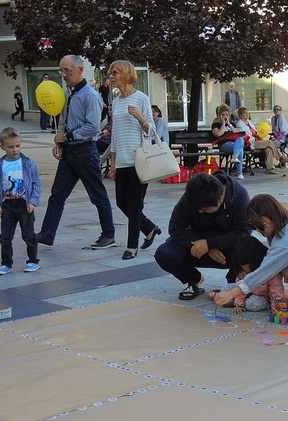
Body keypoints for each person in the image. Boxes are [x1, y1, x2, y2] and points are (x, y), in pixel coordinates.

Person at [36, 55, 116, 249]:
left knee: (97, 194)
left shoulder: (90, 95)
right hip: (70, 152)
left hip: (85, 151)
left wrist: (67, 137)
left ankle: (108, 235)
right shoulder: (70, 94)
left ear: (80, 70)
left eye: (67, 71)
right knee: (57, 194)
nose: (64, 75)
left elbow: (92, 128)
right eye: (62, 71)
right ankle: (47, 234)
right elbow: (66, 122)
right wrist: (61, 142)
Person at [154, 172, 251, 300]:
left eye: (204, 210)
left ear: (220, 200)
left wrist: (210, 243)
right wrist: (205, 246)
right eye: (198, 209)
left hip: (227, 249)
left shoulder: (239, 196)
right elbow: (175, 227)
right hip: (197, 246)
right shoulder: (194, 196)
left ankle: (233, 283)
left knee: (249, 250)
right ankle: (194, 279)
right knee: (164, 253)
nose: (200, 212)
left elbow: (243, 232)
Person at [107, 60, 159, 260]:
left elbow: (152, 131)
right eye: (111, 73)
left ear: (127, 75)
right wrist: (112, 162)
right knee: (122, 202)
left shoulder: (141, 98)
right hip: (122, 160)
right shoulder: (116, 102)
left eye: (116, 73)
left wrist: (140, 117)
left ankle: (132, 246)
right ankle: (149, 228)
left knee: (134, 203)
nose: (112, 77)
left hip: (140, 159)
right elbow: (114, 135)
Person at [0, 127, 42, 274]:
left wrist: (33, 201)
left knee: (28, 235)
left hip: (24, 204)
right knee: (5, 236)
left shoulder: (27, 163)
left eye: (17, 146)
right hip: (7, 205)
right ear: (2, 147)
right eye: (10, 147)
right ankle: (6, 263)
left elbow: (36, 183)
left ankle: (32, 260)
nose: (15, 149)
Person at [209, 234, 285, 314]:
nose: (244, 270)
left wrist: (275, 307)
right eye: (241, 267)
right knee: (226, 288)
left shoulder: (268, 271)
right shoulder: (243, 271)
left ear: (255, 260)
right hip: (247, 293)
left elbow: (276, 290)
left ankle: (227, 299)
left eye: (246, 266)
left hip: (263, 296)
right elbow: (240, 287)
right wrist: (239, 304)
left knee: (252, 303)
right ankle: (225, 298)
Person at [235, 106, 288, 173]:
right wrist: (255, 138)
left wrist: (259, 136)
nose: (248, 114)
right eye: (246, 113)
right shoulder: (239, 124)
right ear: (242, 115)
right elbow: (244, 136)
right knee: (269, 142)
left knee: (269, 148)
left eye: (248, 113)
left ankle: (270, 169)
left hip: (257, 141)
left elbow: (255, 131)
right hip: (249, 143)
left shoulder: (249, 122)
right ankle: (280, 157)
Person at [212, 104, 245, 179]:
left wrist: (229, 124)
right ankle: (239, 173)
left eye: (227, 114)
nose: (225, 116)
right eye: (223, 114)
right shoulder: (216, 124)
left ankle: (235, 157)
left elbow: (237, 133)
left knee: (240, 140)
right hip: (224, 145)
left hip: (234, 144)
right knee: (240, 149)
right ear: (219, 115)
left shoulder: (232, 124)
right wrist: (223, 124)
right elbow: (218, 134)